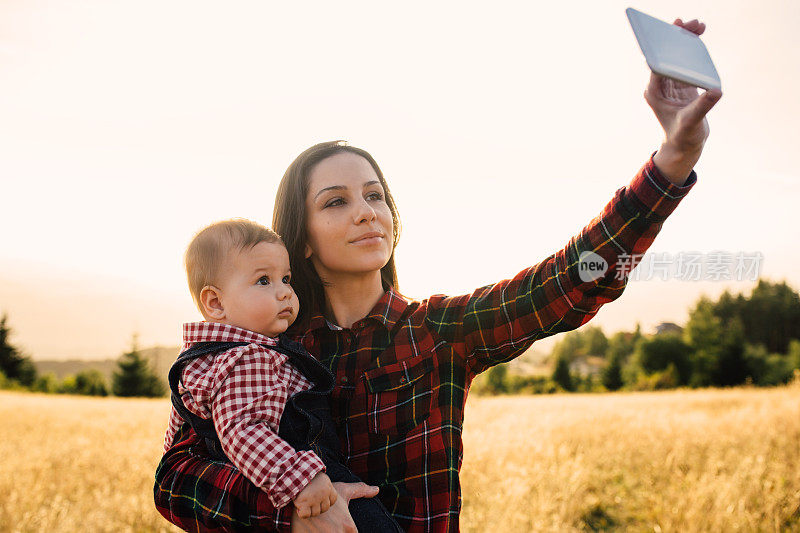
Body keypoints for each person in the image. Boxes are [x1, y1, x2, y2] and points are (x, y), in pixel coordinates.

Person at [154, 17, 721, 533]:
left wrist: (674, 157)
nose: (364, 211)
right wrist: (288, 512)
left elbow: (568, 282)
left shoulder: (438, 332)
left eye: (375, 195)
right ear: (299, 237)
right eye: (335, 201)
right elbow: (173, 479)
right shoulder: (257, 351)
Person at [161, 220, 402, 531]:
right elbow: (242, 430)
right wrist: (300, 480)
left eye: (286, 279)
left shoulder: (205, 359)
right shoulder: (247, 357)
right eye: (264, 281)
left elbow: (175, 439)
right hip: (301, 480)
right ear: (215, 302)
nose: (285, 292)